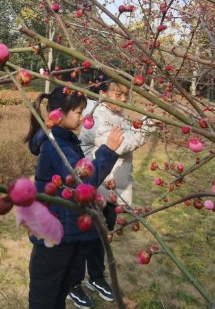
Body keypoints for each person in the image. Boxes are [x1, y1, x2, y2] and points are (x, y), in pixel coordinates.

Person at [24, 86, 124, 309]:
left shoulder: (65, 140)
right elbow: (82, 182)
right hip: (55, 234)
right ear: (59, 114)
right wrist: (108, 151)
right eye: (78, 112)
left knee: (58, 289)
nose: (82, 118)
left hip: (62, 229)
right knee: (46, 294)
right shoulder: (56, 144)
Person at [68, 76, 156, 308]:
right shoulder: (95, 118)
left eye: (126, 95)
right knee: (84, 239)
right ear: (103, 94)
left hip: (112, 189)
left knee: (102, 238)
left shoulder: (118, 115)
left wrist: (143, 123)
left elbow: (129, 134)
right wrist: (148, 124)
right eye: (118, 95)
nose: (124, 99)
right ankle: (73, 283)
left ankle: (96, 277)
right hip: (94, 189)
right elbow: (122, 144)